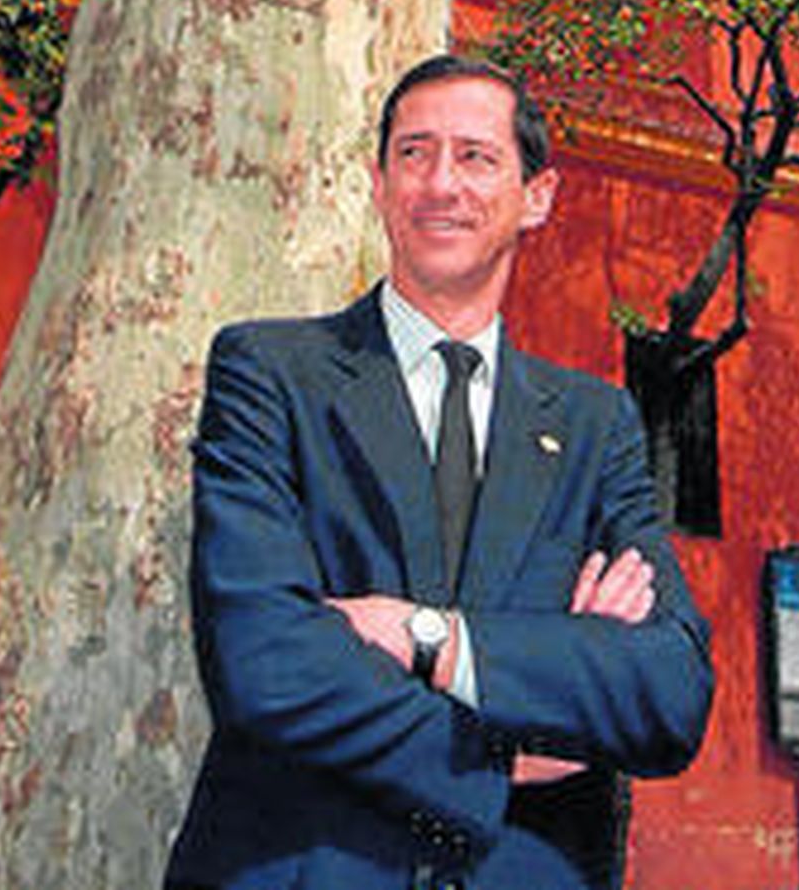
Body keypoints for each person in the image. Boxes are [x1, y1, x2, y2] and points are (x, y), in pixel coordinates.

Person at [166, 55, 714, 890]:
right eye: (414, 154)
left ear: (537, 197)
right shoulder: (271, 372)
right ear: (379, 185)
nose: (440, 183)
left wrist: (424, 636)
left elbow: (668, 689)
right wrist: (511, 730)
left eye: (476, 156)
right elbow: (264, 659)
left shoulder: (596, 424)